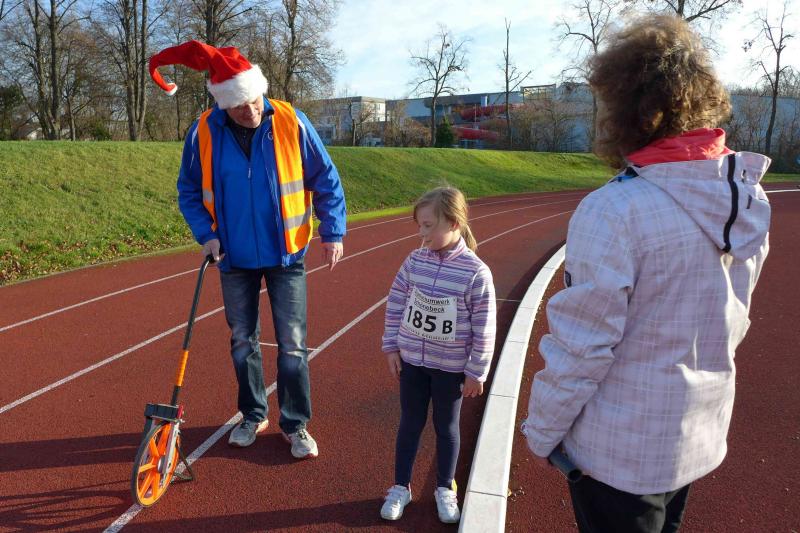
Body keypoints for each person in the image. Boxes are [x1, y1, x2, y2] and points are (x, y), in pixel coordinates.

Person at [521, 15, 771, 533]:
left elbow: (582, 348)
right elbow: (736, 319)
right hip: (697, 435)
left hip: (620, 454)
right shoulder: (746, 198)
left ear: (625, 109)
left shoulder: (614, 210)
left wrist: (541, 432)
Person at [149, 40, 346, 459]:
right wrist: (207, 234)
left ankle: (295, 423)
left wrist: (333, 231)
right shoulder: (204, 130)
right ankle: (253, 414)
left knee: (292, 344)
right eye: (240, 107)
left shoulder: (291, 120)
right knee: (242, 341)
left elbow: (326, 178)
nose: (251, 111)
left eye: (254, 101)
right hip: (233, 257)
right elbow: (188, 190)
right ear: (224, 103)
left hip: (286, 253)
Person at [380, 187, 497, 523]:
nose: (422, 233)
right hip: (413, 364)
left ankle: (445, 488)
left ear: (454, 223)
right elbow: (395, 303)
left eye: (429, 225)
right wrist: (391, 346)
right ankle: (400, 486)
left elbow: (484, 327)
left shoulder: (475, 273)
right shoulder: (414, 261)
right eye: (419, 225)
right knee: (409, 423)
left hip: (450, 369)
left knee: (446, 428)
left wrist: (476, 371)